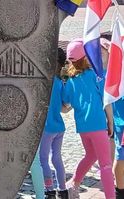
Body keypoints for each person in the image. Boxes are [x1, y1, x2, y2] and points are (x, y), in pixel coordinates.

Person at [63, 39, 115, 199]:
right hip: (98, 125)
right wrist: (111, 124)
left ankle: (73, 183)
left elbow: (65, 107)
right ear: (86, 58)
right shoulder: (96, 76)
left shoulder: (70, 81)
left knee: (91, 155)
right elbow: (106, 103)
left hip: (83, 127)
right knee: (106, 165)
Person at [40, 48, 69, 199]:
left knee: (43, 159)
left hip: (47, 127)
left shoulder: (43, 82)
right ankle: (63, 189)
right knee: (57, 158)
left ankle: (49, 189)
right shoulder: (59, 81)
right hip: (59, 126)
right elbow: (66, 104)